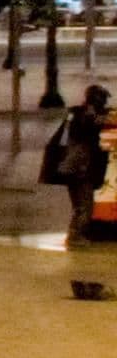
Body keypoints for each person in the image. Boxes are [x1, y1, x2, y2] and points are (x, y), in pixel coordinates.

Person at [63, 85, 110, 247]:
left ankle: (74, 234)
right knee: (84, 205)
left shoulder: (79, 113)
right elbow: (99, 122)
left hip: (74, 167)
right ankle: (75, 235)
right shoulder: (88, 115)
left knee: (79, 204)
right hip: (80, 167)